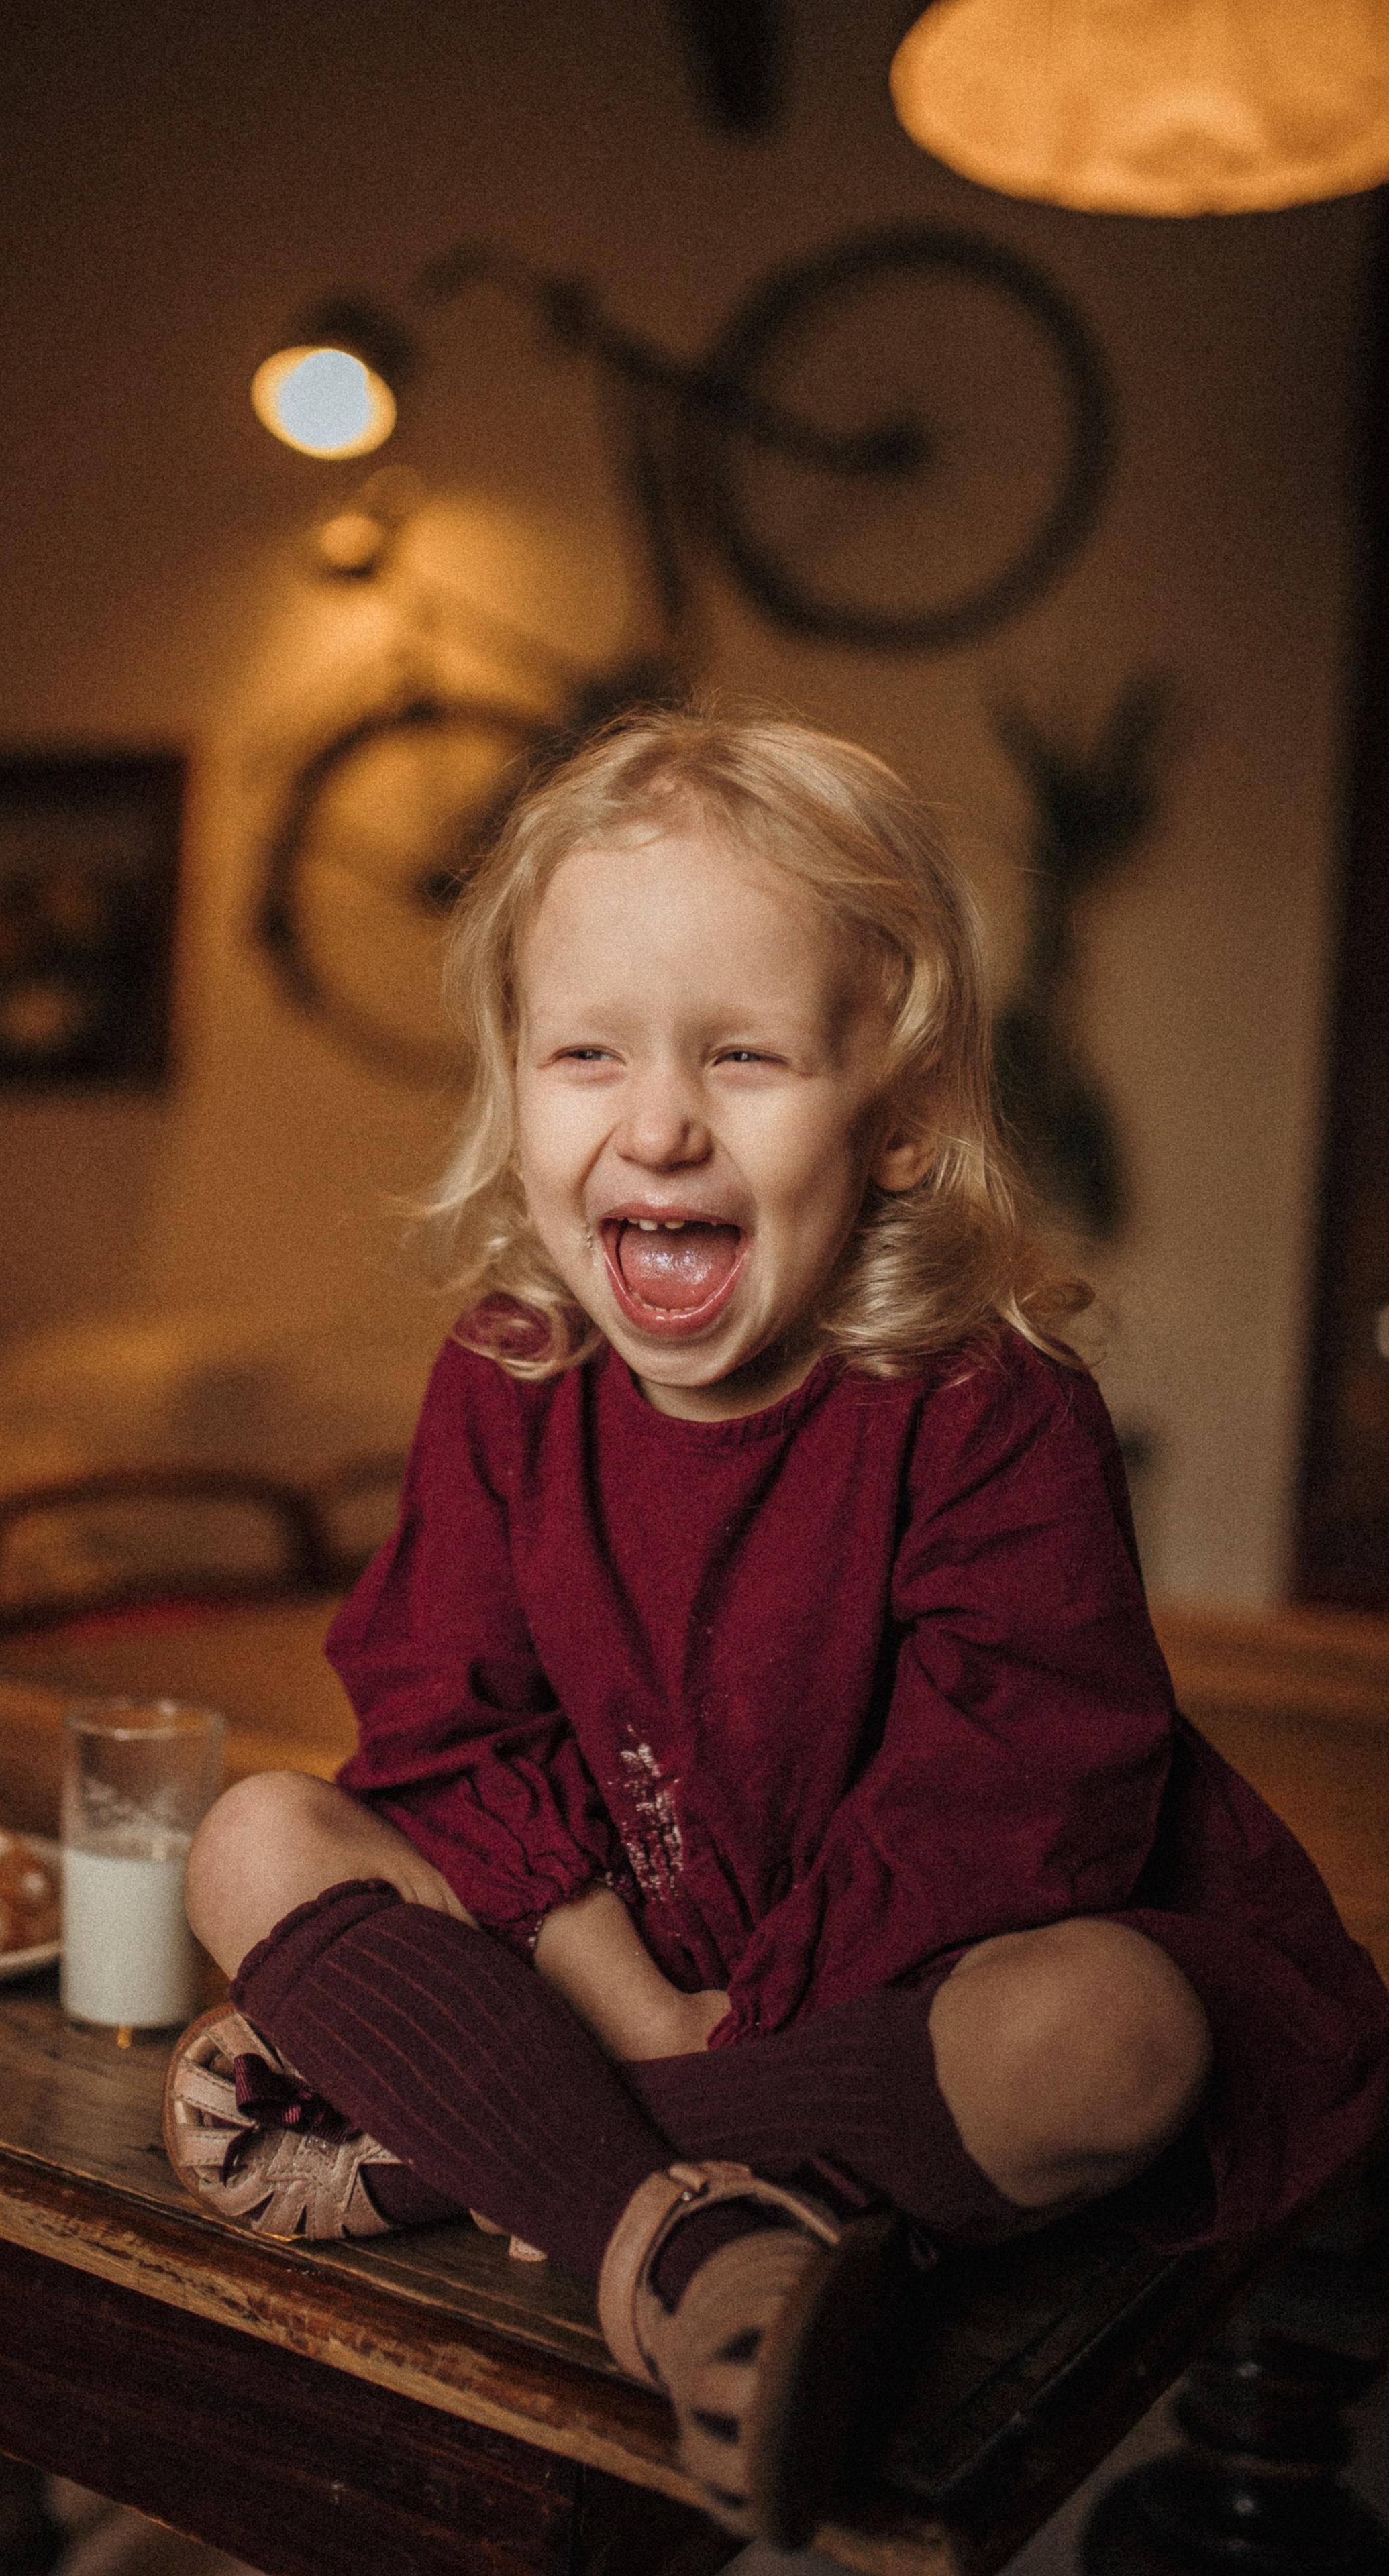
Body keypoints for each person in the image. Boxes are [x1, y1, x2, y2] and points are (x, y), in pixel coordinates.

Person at [173, 708, 1389, 2548]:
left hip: (912, 1978)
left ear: (894, 1122)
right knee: (253, 1832)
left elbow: (1011, 1806)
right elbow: (448, 1720)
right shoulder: (509, 1375)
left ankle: (511, 2143)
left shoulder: (987, 1403)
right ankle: (696, 2241)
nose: (656, 1120)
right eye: (588, 1054)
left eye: (743, 1056)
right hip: (627, 1950)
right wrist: (624, 1990)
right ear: (517, 1089)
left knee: (1126, 2037)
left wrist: (668, 2058)